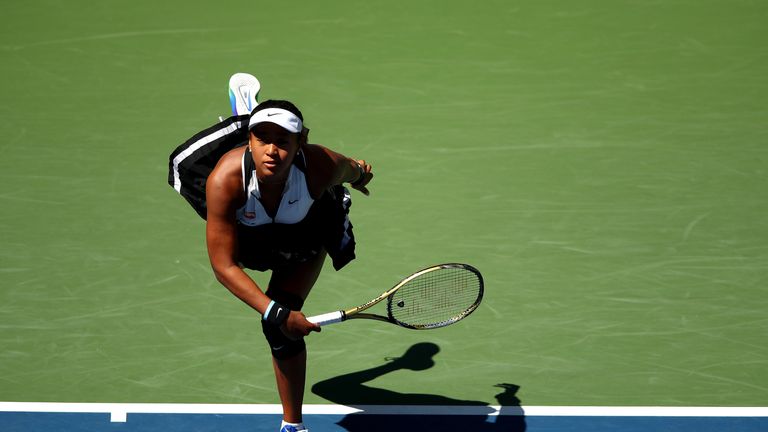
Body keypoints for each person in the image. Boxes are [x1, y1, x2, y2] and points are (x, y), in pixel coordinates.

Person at [170, 98, 372, 432]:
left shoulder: (320, 165)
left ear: (300, 142)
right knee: (277, 316)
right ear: (249, 141)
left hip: (303, 237)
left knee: (278, 331)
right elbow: (224, 266)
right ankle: (245, 111)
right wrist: (277, 311)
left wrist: (361, 174)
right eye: (262, 139)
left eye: (283, 141)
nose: (272, 151)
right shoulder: (225, 179)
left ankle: (293, 426)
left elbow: (353, 168)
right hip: (250, 237)